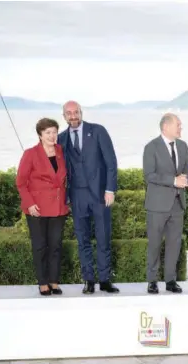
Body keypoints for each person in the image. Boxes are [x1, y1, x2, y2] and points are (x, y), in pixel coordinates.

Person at [57, 101, 119, 294]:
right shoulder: (61, 138)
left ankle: (105, 279)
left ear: (81, 113)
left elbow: (111, 162)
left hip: (100, 194)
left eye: (76, 112)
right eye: (69, 113)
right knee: (82, 239)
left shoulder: (98, 131)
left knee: (103, 237)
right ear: (64, 116)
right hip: (76, 195)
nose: (73, 116)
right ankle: (88, 280)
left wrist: (110, 189)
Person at [16, 118, 69, 296]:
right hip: (37, 208)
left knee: (55, 245)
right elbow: (21, 183)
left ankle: (54, 281)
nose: (52, 136)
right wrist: (29, 204)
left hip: (58, 207)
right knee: (40, 246)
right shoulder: (30, 154)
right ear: (40, 134)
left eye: (54, 132)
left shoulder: (61, 151)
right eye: (48, 132)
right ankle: (43, 282)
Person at [143, 113, 188, 294]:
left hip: (178, 204)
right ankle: (152, 280)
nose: (181, 128)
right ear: (166, 127)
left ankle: (170, 280)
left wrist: (185, 178)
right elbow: (149, 175)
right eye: (178, 125)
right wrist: (173, 181)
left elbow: (187, 168)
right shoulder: (151, 147)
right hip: (157, 205)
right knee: (154, 243)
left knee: (174, 244)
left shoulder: (183, 145)